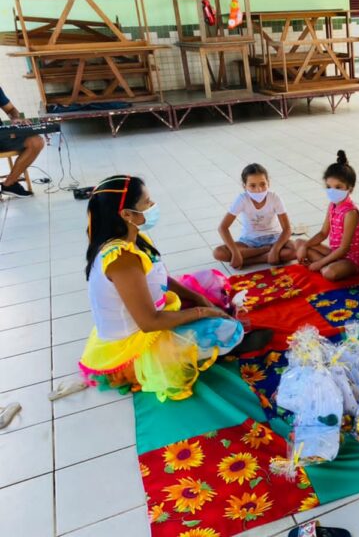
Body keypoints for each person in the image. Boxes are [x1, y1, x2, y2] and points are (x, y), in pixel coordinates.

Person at [79, 175, 243, 402]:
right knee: (230, 331)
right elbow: (149, 323)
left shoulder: (134, 237)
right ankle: (151, 366)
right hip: (137, 343)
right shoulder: (122, 260)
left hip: (151, 314)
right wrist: (203, 311)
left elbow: (158, 275)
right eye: (147, 202)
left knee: (204, 289)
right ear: (126, 214)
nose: (152, 206)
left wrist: (196, 297)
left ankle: (199, 324)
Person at [295, 150, 359, 281]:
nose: (332, 191)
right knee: (299, 243)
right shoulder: (332, 205)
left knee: (329, 273)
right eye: (329, 186)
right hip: (336, 252)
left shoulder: (350, 213)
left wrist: (320, 263)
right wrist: (305, 246)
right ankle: (328, 264)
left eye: (338, 187)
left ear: (350, 189)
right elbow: (323, 233)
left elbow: (344, 249)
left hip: (351, 256)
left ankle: (330, 266)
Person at [213, 163, 295, 268]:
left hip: (274, 238)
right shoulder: (242, 199)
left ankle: (247, 260)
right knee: (219, 252)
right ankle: (265, 253)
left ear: (268, 183)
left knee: (294, 249)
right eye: (252, 186)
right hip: (249, 242)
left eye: (262, 184)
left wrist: (276, 248)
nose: (259, 189)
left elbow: (287, 229)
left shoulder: (274, 198)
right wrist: (235, 252)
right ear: (244, 186)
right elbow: (222, 228)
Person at [0, 85, 44, 198]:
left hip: (1, 135)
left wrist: (15, 118)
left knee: (36, 141)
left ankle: (9, 184)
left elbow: (10, 109)